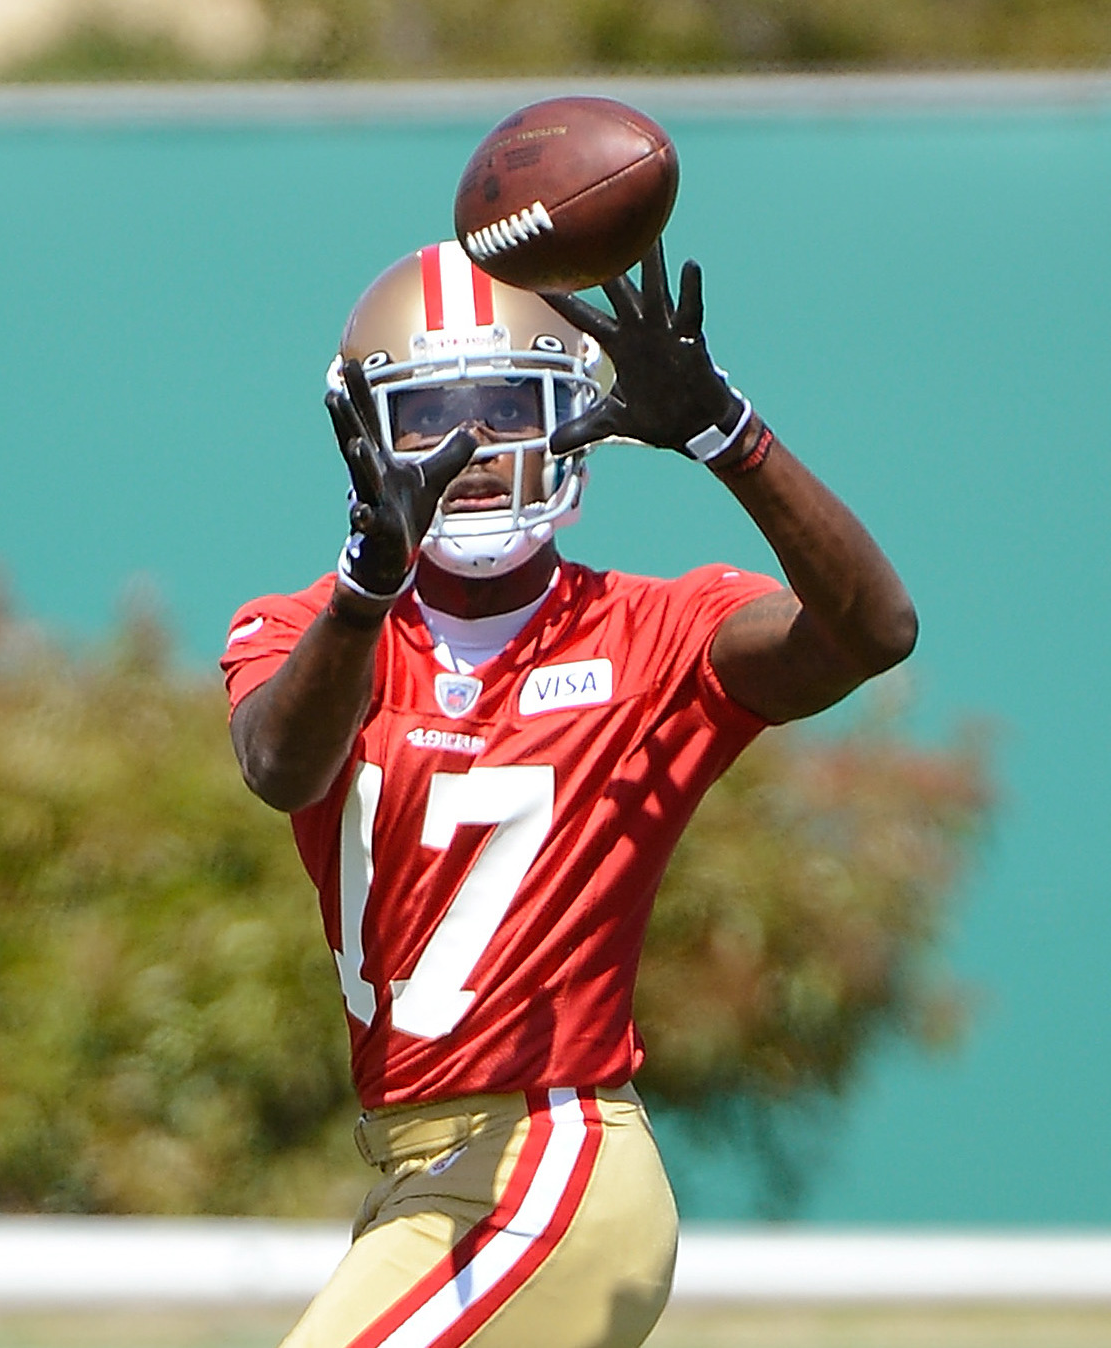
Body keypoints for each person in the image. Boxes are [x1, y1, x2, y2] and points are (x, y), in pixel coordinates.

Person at [220, 237, 916, 1348]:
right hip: (416, 1165)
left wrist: (728, 436)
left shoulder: (655, 629)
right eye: (432, 418)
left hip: (551, 1158)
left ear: (574, 417)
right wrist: (367, 589)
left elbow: (872, 632)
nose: (475, 450)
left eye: (506, 407)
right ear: (360, 434)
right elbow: (282, 767)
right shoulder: (309, 629)